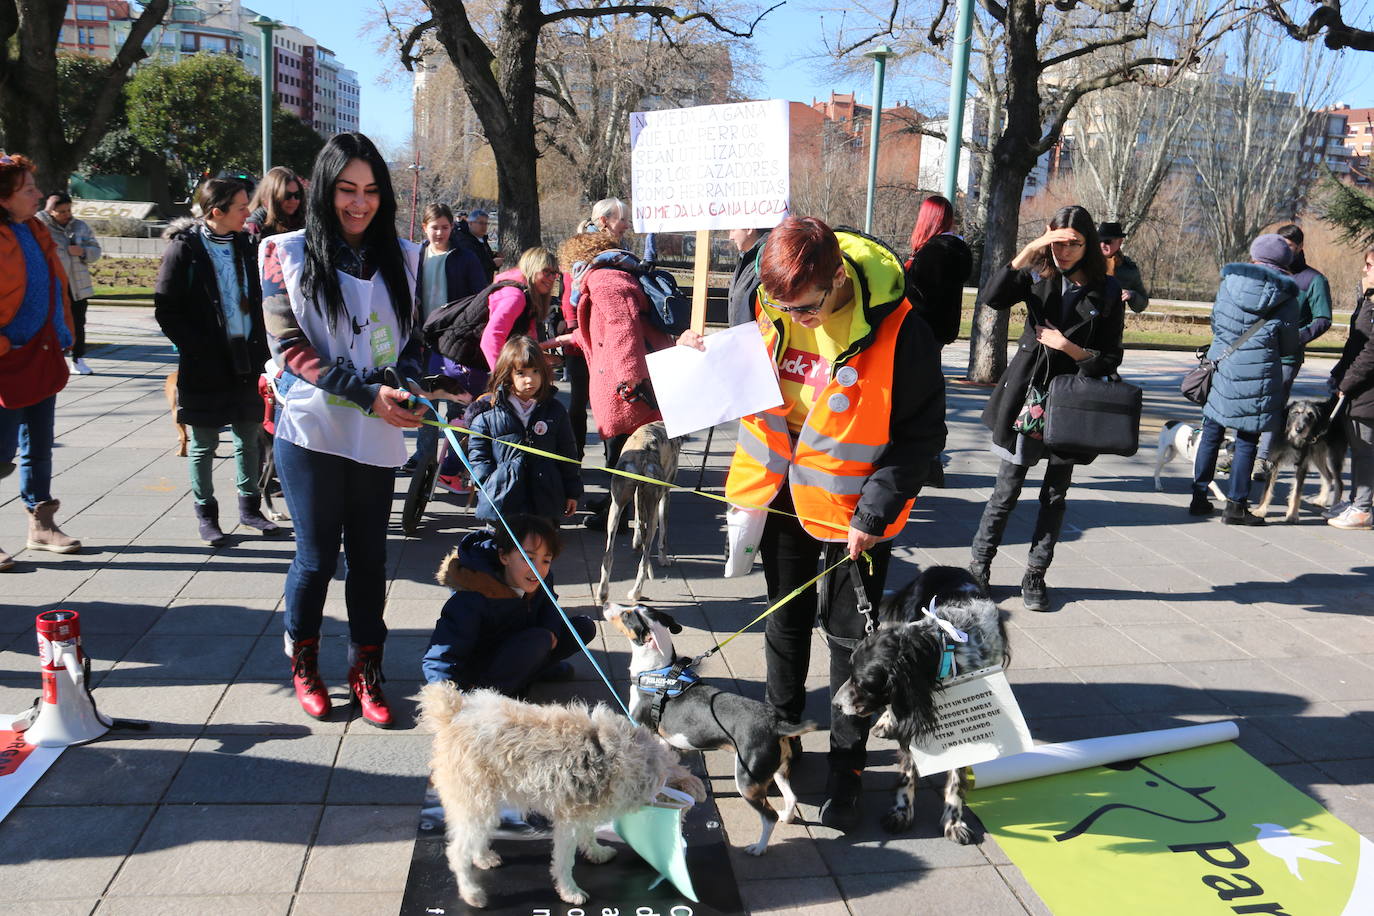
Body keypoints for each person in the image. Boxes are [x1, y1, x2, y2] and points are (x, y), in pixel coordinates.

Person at [681, 216, 946, 831]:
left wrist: (875, 512)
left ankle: (847, 765)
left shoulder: (903, 330)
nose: (792, 319)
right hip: (779, 495)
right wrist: (703, 355)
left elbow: (920, 437)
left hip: (856, 511)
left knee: (852, 640)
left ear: (834, 281)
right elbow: (742, 375)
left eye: (804, 309)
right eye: (780, 307)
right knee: (785, 622)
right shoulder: (765, 300)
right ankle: (783, 736)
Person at [260, 132, 427, 727]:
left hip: (376, 431)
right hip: (309, 428)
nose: (359, 204)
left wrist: (412, 386)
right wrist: (367, 394)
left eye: (372, 192)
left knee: (370, 558)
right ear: (325, 191)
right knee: (315, 558)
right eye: (347, 191)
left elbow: (409, 345)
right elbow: (290, 347)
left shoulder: (404, 257)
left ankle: (366, 669)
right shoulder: (284, 253)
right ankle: (304, 661)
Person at [971, 206, 1125, 611]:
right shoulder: (1038, 272)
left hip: (1071, 400)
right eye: (1057, 242)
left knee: (1055, 495)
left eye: (1074, 243)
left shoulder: (1107, 290)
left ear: (1088, 243)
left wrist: (1068, 347)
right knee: (1006, 490)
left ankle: (1035, 575)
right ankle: (978, 569)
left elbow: (1109, 358)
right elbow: (991, 297)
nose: (1065, 251)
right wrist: (1031, 249)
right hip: (1027, 395)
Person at [155, 178, 283, 545]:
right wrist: (195, 347)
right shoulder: (185, 249)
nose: (249, 212)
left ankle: (249, 509)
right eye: (242, 207)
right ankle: (207, 515)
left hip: (248, 358)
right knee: (204, 441)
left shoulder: (248, 245)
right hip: (205, 363)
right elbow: (167, 307)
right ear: (217, 212)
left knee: (248, 436)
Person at [557, 230, 675, 530]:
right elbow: (600, 330)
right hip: (624, 379)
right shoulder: (609, 275)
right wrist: (564, 339)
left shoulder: (603, 280)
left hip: (625, 387)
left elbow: (623, 326)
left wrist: (629, 380)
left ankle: (619, 514)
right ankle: (613, 503)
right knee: (622, 449)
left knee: (623, 452)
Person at [0, 154, 82, 570]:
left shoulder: (34, 228)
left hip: (42, 353)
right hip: (5, 362)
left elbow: (55, 285)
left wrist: (62, 331)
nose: (37, 193)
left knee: (39, 443)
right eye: (28, 189)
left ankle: (41, 524)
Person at [1189, 233, 1300, 525]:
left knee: (1211, 432)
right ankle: (1236, 506)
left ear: (1254, 254)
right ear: (1285, 262)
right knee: (1247, 439)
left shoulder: (1229, 283)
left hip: (1222, 365)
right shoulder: (1286, 295)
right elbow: (1289, 345)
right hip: (1258, 373)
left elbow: (1215, 321)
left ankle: (1199, 496)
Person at [422, 514, 596, 694]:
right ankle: (490, 693)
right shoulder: (472, 597)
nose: (537, 568)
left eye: (546, 560)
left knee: (583, 627)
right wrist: (449, 696)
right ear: (504, 556)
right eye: (528, 558)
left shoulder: (542, 578)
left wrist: (550, 627)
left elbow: (549, 606)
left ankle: (531, 671)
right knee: (539, 640)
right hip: (480, 670)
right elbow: (440, 656)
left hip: (521, 647)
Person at [406, 202, 486, 477]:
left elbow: (479, 297)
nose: (439, 233)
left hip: (454, 340)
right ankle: (423, 456)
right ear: (424, 228)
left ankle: (455, 461)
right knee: (425, 402)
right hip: (422, 339)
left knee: (456, 404)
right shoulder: (415, 256)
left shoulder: (465, 257)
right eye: (434, 227)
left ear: (452, 227)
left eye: (444, 227)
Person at [466, 336, 581, 525]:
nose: (530, 379)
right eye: (521, 373)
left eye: (536, 371)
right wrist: (487, 483)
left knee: (540, 550)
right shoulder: (488, 413)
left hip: (546, 499)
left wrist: (572, 492)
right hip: (502, 500)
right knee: (502, 549)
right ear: (507, 374)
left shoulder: (555, 410)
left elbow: (568, 453)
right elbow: (478, 455)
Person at [1255, 223, 1334, 479]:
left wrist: (1295, 338)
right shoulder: (1267, 271)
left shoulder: (1314, 280)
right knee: (1249, 403)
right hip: (1257, 352)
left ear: (1300, 247)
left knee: (1273, 407)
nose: (1282, 250)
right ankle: (1239, 452)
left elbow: (1323, 318)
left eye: (1288, 246)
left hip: (1287, 357)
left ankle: (1263, 459)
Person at [559, 198, 634, 462]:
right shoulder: (584, 250)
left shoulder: (617, 249)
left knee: (611, 406)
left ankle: (612, 464)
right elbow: (569, 294)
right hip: (584, 342)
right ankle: (574, 459)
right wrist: (576, 331)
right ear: (604, 221)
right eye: (622, 219)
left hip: (606, 341)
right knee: (579, 403)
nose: (627, 225)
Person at [1324, 248, 1374, 530]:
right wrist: (1338, 374)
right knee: (1359, 447)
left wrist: (1348, 381)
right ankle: (1357, 501)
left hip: (1367, 391)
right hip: (1357, 389)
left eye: (1369, 266)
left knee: (1365, 450)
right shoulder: (1368, 300)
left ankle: (1363, 508)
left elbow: (1370, 352)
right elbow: (1354, 344)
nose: (1364, 270)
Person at [36, 192, 101, 375]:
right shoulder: (40, 227)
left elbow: (96, 251)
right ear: (51, 212)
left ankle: (78, 359)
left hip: (77, 287)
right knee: (51, 323)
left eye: (69, 210)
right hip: (52, 285)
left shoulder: (80, 227)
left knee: (78, 322)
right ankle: (50, 360)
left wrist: (82, 251)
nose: (67, 214)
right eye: (61, 211)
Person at [904, 195, 973, 347]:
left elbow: (916, 296)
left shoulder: (933, 252)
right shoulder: (955, 250)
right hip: (940, 330)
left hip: (920, 332)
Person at [1097, 222, 1149, 315]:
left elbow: (1142, 304)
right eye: (1099, 240)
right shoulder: (1086, 263)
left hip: (1113, 324)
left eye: (1107, 241)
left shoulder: (1128, 269)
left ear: (1120, 242)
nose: (1102, 245)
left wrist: (1131, 295)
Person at [244, 166, 305, 243]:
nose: (293, 200)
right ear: (270, 196)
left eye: (297, 195)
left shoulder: (302, 220)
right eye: (286, 195)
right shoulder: (254, 225)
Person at [727, 226, 772, 327]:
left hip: (758, 339)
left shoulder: (768, 257)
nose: (730, 237)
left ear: (749, 229)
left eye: (733, 229)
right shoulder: (747, 258)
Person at [453, 208, 498, 280]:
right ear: (470, 223)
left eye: (486, 223)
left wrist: (495, 256)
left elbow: (485, 256)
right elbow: (472, 265)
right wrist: (492, 263)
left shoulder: (482, 239)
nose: (484, 226)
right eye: (480, 223)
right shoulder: (464, 241)